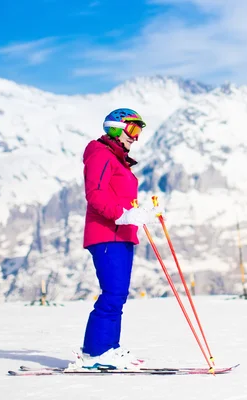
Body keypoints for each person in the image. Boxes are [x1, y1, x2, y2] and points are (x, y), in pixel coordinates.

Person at [78, 108, 162, 370]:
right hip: (106, 235)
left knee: (118, 295)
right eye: (133, 130)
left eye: (139, 131)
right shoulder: (101, 155)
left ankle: (109, 349)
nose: (136, 137)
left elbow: (119, 196)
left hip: (121, 235)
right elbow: (96, 194)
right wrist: (123, 215)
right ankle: (94, 353)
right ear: (116, 128)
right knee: (112, 293)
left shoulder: (117, 159)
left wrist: (140, 213)